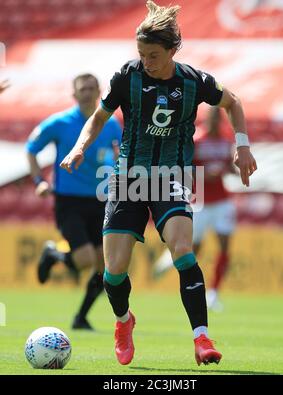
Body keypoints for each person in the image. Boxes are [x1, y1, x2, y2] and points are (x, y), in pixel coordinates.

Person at [60, 1, 257, 366]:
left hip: (173, 178)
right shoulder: (126, 77)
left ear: (171, 51)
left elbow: (234, 102)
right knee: (114, 272)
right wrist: (79, 148)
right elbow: (99, 118)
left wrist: (242, 147)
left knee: (183, 249)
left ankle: (202, 338)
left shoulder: (194, 81)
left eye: (153, 55)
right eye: (142, 55)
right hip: (128, 179)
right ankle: (124, 321)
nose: (146, 62)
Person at [26, 73, 122, 330]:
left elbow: (120, 157)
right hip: (69, 201)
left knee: (106, 269)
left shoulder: (112, 125)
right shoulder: (60, 122)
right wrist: (39, 182)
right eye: (83, 89)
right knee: (85, 260)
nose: (88, 93)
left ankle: (81, 317)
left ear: (100, 91)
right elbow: (32, 148)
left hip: (102, 201)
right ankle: (54, 254)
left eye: (92, 88)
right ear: (74, 94)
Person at [153, 107, 237, 311]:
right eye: (213, 117)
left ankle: (214, 293)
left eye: (219, 117)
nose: (216, 120)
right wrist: (205, 174)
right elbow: (185, 167)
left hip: (222, 200)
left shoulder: (227, 140)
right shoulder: (197, 139)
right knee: (192, 249)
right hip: (199, 201)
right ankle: (173, 265)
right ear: (207, 118)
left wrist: (233, 168)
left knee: (225, 247)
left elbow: (230, 167)